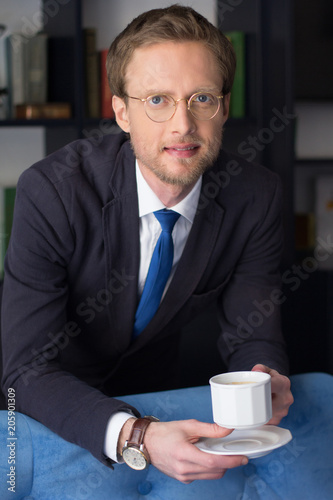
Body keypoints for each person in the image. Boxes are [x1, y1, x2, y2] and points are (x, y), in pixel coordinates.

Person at [1, 5, 293, 484]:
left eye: (201, 98)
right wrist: (136, 436)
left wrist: (268, 378)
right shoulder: (52, 191)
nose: (182, 125)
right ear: (122, 112)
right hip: (42, 409)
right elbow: (24, 371)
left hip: (159, 398)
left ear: (223, 106)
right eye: (157, 100)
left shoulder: (254, 195)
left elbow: (253, 333)